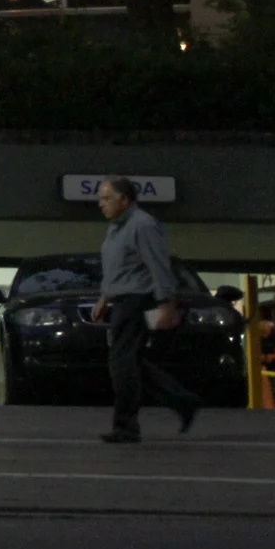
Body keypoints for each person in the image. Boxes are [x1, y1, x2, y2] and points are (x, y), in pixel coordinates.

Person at [88, 175, 200, 443]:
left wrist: (167, 302)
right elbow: (119, 267)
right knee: (131, 361)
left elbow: (158, 264)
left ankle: (126, 426)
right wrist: (105, 297)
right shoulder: (116, 227)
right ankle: (183, 401)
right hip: (122, 300)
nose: (100, 204)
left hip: (137, 301)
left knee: (121, 362)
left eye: (106, 198)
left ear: (124, 200)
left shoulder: (143, 225)